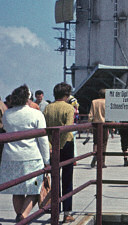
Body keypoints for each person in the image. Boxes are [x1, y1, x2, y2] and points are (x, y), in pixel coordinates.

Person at [0, 85, 50, 222]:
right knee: (35, 187)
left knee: (17, 189)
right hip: (31, 157)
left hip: (10, 157)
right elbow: (43, 139)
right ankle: (23, 215)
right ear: (29, 98)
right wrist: (47, 160)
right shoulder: (36, 114)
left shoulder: (7, 114)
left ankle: (19, 215)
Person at [43, 82, 75, 222]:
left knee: (55, 178)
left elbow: (44, 128)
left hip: (50, 146)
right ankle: (67, 213)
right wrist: (61, 145)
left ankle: (55, 210)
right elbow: (68, 128)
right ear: (67, 95)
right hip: (66, 145)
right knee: (67, 178)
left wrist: (51, 145)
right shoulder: (69, 108)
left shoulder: (47, 108)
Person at [89, 88, 108, 168]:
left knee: (96, 142)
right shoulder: (107, 102)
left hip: (96, 125)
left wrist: (89, 125)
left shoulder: (94, 102)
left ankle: (95, 155)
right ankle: (102, 162)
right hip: (105, 125)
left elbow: (90, 115)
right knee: (104, 143)